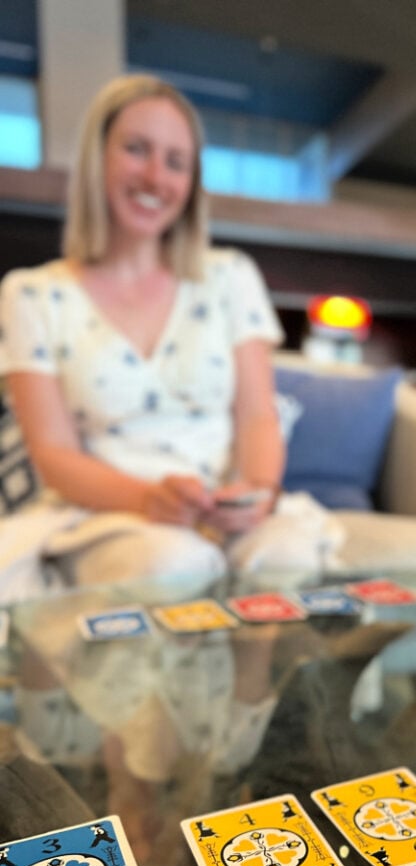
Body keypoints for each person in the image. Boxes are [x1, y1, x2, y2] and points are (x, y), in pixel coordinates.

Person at [0, 74, 339, 601]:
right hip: (104, 516)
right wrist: (148, 501)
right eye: (137, 150)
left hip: (224, 512)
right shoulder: (32, 294)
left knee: (286, 557)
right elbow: (53, 454)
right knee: (174, 563)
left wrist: (258, 494)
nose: (157, 177)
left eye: (176, 162)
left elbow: (256, 416)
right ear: (98, 158)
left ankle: (258, 688)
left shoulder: (230, 277)